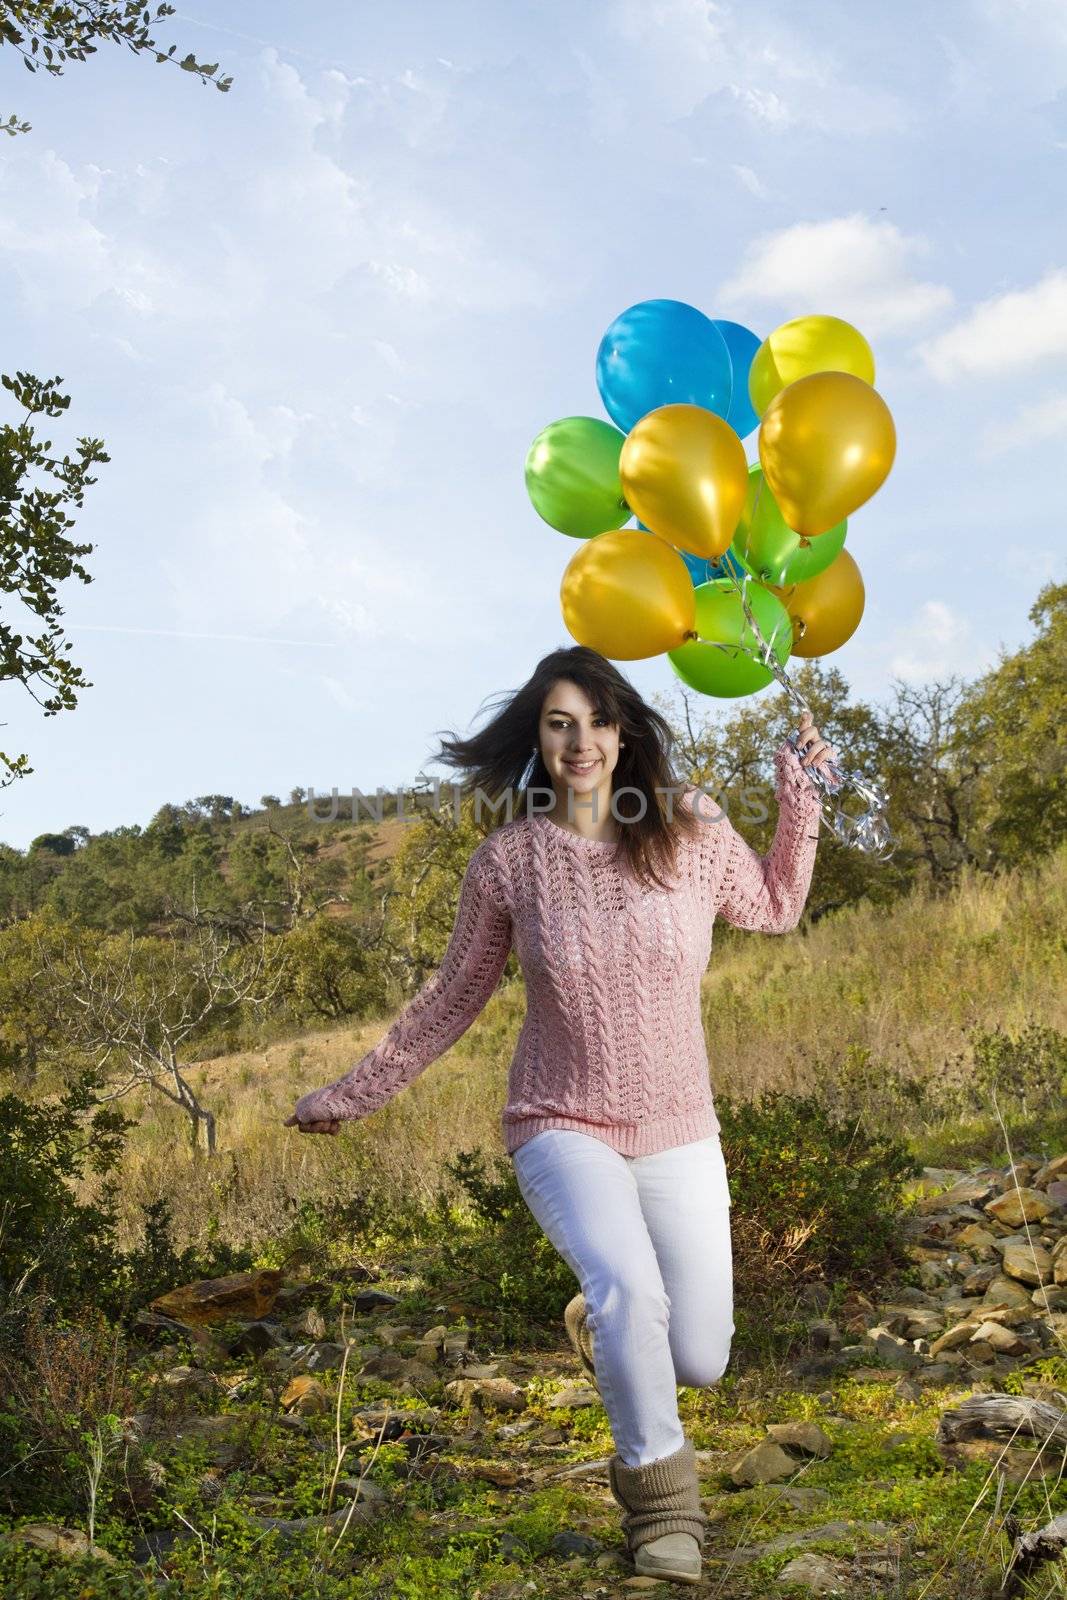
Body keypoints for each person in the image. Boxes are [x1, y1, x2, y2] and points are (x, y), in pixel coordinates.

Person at [285, 644, 833, 1587]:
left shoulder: (691, 829)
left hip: (679, 1128)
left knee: (697, 1355)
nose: (580, 742)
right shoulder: (509, 862)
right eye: (558, 722)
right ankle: (665, 1517)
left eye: (596, 721)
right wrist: (354, 1090)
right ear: (537, 739)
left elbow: (777, 907)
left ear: (626, 732)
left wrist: (801, 798)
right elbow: (452, 995)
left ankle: (603, 1322)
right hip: (558, 1119)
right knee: (634, 1295)